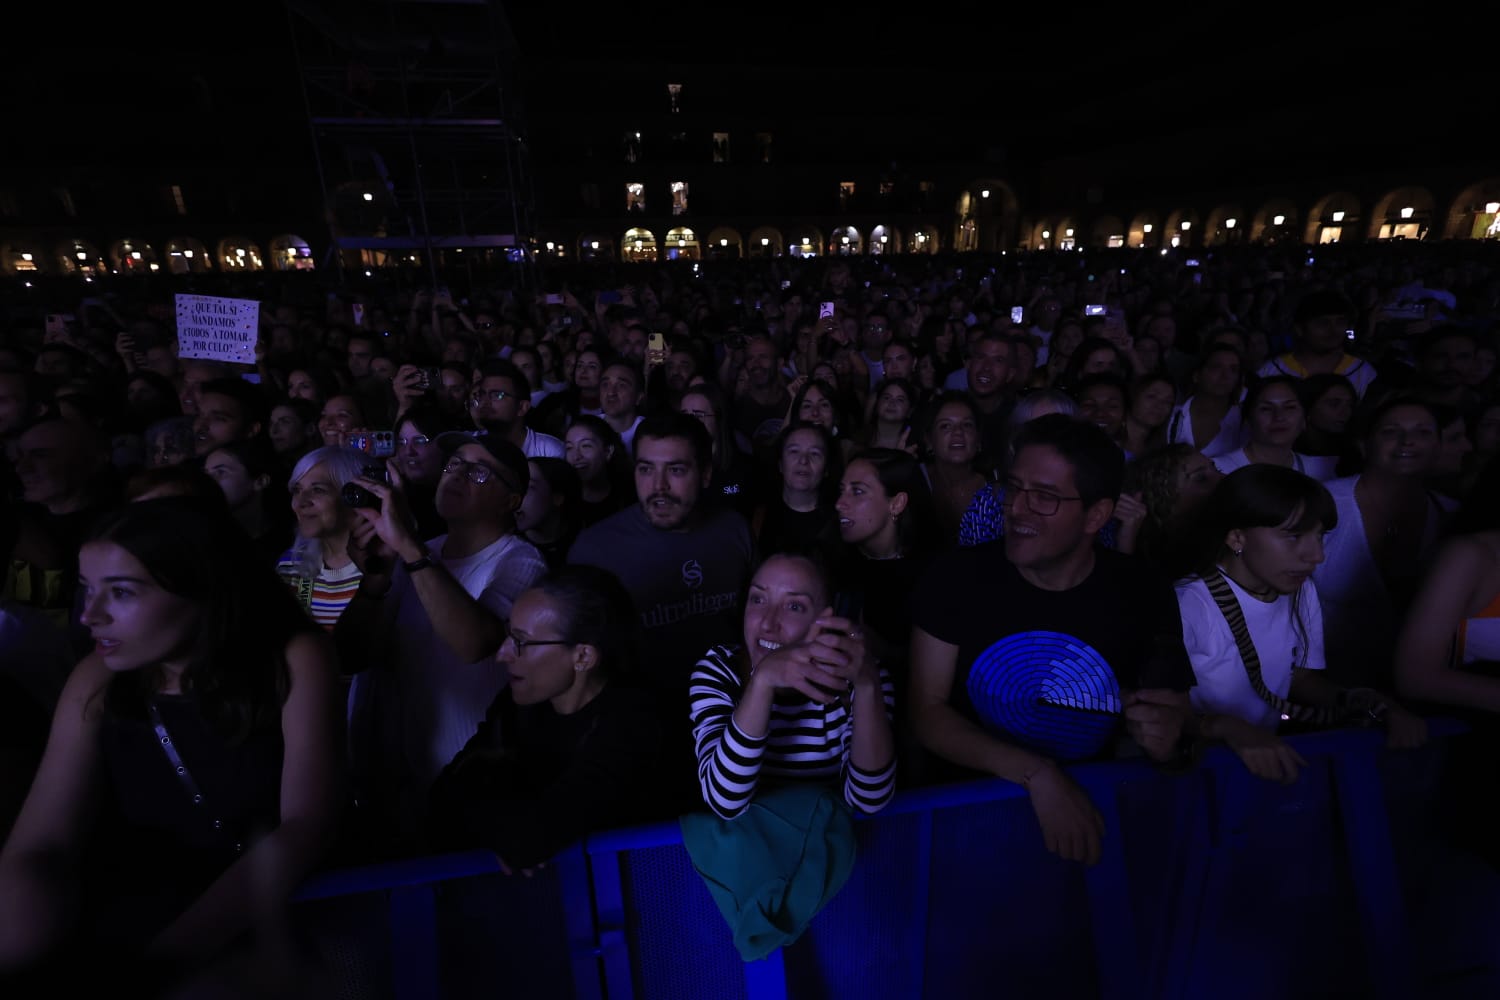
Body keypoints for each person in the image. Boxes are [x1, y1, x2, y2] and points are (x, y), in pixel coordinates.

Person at [0, 498, 340, 984]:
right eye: (86, 590)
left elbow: (305, 826)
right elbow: (41, 843)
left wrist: (158, 968)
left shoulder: (293, 658)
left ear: (203, 588)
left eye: (121, 592)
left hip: (271, 915)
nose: (89, 615)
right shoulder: (97, 677)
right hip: (130, 916)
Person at [908, 414, 1195, 866]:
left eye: (1044, 497)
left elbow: (1171, 715)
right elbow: (926, 711)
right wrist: (1036, 774)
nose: (1017, 509)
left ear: (1096, 515)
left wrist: (1166, 741)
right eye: (1014, 488)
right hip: (969, 814)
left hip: (1093, 812)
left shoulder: (1144, 590)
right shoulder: (955, 578)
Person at [337, 432, 548, 846]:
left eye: (480, 473)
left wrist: (410, 548)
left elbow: (475, 644)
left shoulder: (521, 561)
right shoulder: (419, 552)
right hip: (401, 789)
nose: (457, 475)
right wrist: (375, 579)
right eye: (454, 464)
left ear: (512, 501)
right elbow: (353, 656)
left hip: (477, 788)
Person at [1177, 465, 1425, 785]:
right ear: (1237, 537)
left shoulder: (1300, 590)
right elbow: (1155, 711)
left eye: (1319, 536)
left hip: (1259, 767)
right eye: (1294, 536)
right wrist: (1226, 727)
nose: (1317, 556)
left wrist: (1369, 703)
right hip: (1196, 773)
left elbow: (1300, 678)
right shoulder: (1188, 604)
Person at [427, 565, 670, 870]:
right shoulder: (515, 708)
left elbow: (531, 839)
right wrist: (512, 831)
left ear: (583, 656)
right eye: (508, 634)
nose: (502, 654)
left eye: (521, 642)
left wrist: (516, 832)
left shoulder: (633, 721)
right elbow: (442, 801)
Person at [567, 412, 755, 799]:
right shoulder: (596, 550)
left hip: (728, 723)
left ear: (705, 475)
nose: (658, 487)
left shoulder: (735, 530)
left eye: (676, 470)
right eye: (646, 469)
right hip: (639, 741)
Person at [689, 552, 896, 819]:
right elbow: (725, 801)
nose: (767, 623)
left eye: (794, 606)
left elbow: (870, 800)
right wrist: (762, 681)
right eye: (758, 599)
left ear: (826, 620)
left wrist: (867, 686)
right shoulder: (719, 670)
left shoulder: (862, 677)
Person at [1313, 395, 1452, 688]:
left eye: (1423, 432)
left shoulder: (1452, 515)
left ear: (1439, 446)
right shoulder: (1322, 503)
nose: (1407, 441)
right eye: (1390, 431)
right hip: (1324, 683)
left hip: (1418, 691)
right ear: (1364, 444)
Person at [276, 446, 368, 632]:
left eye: (317, 490)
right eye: (297, 490)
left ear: (355, 496)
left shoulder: (387, 569)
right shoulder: (291, 565)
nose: (300, 503)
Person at [1209, 375, 1335, 480]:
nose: (1279, 417)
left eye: (1290, 407)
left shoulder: (1322, 469)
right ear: (1248, 420)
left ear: (1305, 419)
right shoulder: (1217, 470)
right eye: (1266, 409)